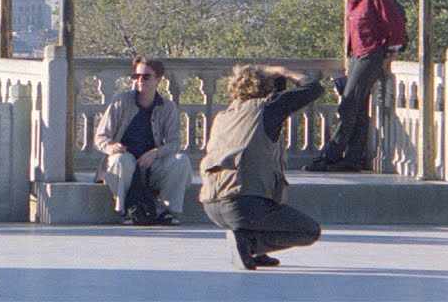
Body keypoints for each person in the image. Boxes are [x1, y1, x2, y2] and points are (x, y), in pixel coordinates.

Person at [201, 64, 323, 270]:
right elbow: (313, 88)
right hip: (244, 205)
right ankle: (250, 243)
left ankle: (253, 246)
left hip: (212, 205)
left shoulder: (224, 116)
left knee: (261, 181)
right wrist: (285, 72)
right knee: (309, 231)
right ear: (266, 88)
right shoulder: (267, 108)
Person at [305, 0, 406, 173]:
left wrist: (392, 51)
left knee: (349, 103)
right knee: (359, 109)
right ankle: (352, 159)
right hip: (356, 56)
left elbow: (394, 22)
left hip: (371, 55)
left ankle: (331, 154)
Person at [93, 55, 191, 225]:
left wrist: (155, 153)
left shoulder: (167, 107)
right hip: (125, 161)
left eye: (146, 76)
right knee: (121, 160)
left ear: (158, 80)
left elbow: (174, 143)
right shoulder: (121, 102)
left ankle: (166, 211)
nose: (140, 80)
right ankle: (126, 210)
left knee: (181, 161)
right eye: (136, 76)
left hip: (152, 164)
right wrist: (111, 147)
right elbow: (101, 136)